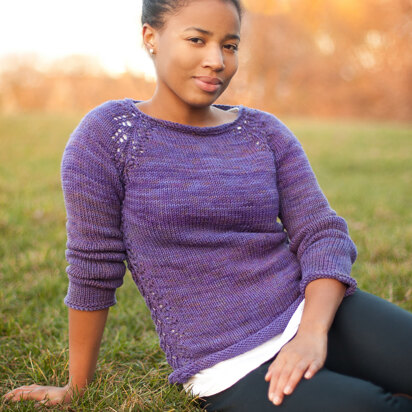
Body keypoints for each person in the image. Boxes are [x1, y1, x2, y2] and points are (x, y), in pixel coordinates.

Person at [4, 0, 412, 410]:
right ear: (151, 37)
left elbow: (321, 233)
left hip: (318, 312)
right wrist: (77, 386)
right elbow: (94, 264)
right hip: (230, 362)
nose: (216, 60)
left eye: (230, 45)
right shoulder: (109, 136)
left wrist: (310, 333)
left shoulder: (265, 132)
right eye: (197, 40)